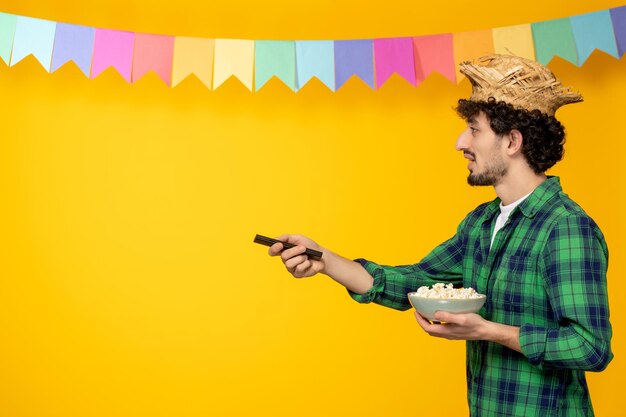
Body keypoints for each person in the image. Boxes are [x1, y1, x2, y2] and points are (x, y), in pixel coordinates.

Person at [267, 54, 613, 417]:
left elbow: (590, 347)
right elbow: (417, 281)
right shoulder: (481, 223)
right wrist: (323, 259)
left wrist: (489, 331)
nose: (460, 142)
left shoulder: (565, 227)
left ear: (512, 141)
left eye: (474, 129)